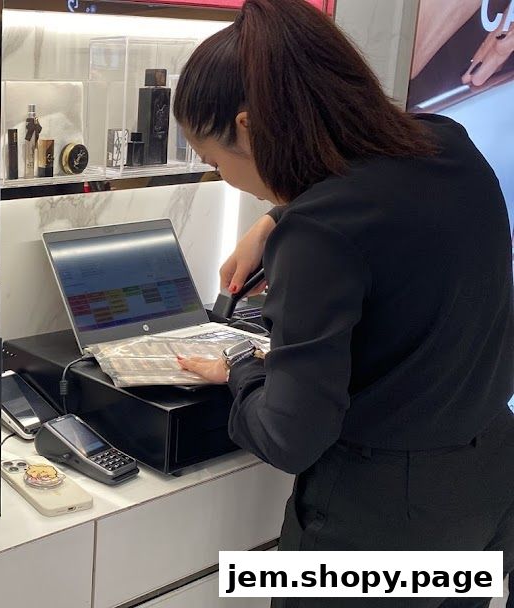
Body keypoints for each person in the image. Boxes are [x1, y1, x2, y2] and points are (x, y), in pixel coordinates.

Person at [172, 0, 514, 606]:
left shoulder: (321, 233)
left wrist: (242, 369)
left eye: (212, 160)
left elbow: (290, 438)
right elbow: (383, 201)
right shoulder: (448, 144)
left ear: (248, 128)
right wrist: (275, 222)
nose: (221, 176)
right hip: (486, 493)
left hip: (376, 532)